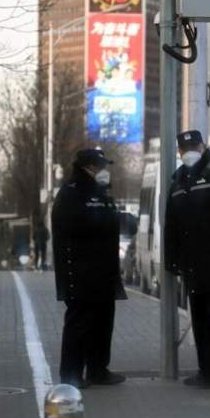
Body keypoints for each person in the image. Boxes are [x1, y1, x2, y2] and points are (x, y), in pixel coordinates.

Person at [164, 130, 210, 388]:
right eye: (184, 149)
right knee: (199, 320)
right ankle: (205, 369)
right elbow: (171, 226)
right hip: (193, 266)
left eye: (193, 147)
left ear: (203, 146)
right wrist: (171, 260)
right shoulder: (178, 181)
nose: (188, 153)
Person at [52, 148, 127, 389]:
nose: (106, 171)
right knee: (79, 324)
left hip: (104, 271)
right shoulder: (71, 193)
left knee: (103, 323)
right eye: (102, 166)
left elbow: (110, 223)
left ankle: (98, 369)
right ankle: (71, 373)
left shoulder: (101, 193)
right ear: (89, 167)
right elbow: (78, 226)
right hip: (81, 271)